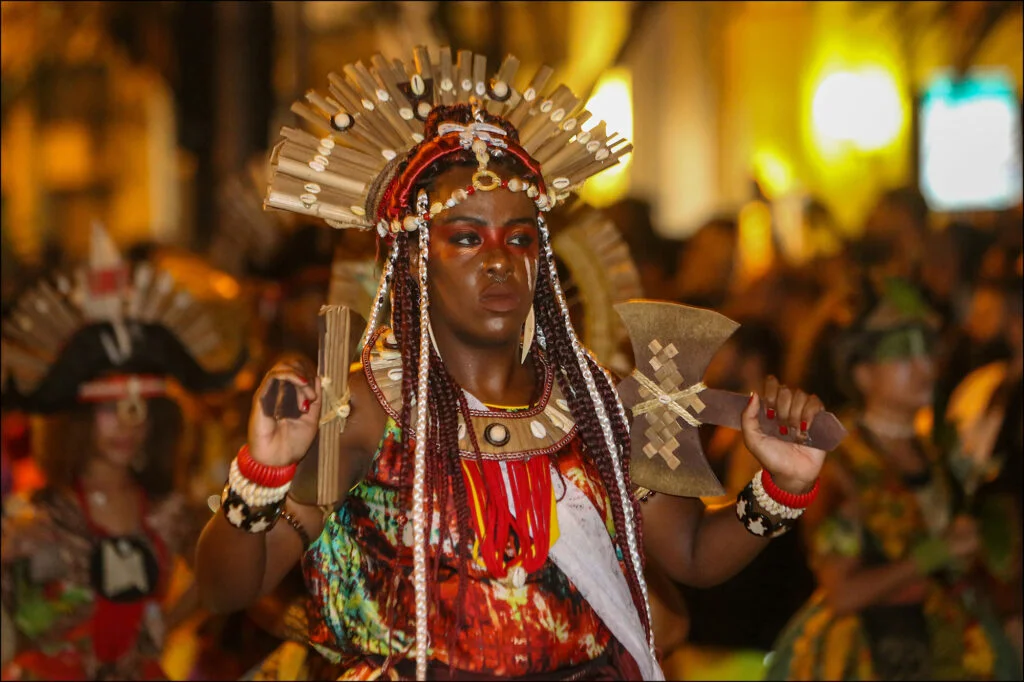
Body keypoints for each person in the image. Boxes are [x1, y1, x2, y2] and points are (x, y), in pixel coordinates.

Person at [196, 47, 833, 680]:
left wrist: (783, 487)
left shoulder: (596, 402)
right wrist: (262, 471)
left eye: (520, 237)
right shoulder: (364, 409)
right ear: (416, 258)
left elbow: (692, 554)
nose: (499, 259)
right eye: (467, 237)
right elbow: (228, 588)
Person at [0, 224, 245, 681]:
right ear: (73, 422)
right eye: (109, 409)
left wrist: (164, 628)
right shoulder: (35, 521)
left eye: (140, 409)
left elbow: (221, 585)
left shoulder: (169, 513)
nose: (128, 425)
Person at [765, 278, 1021, 681]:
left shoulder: (936, 453)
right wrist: (932, 555)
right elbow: (843, 593)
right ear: (864, 374)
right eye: (904, 355)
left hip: (951, 649)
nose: (925, 368)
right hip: (871, 656)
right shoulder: (839, 464)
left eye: (927, 353)